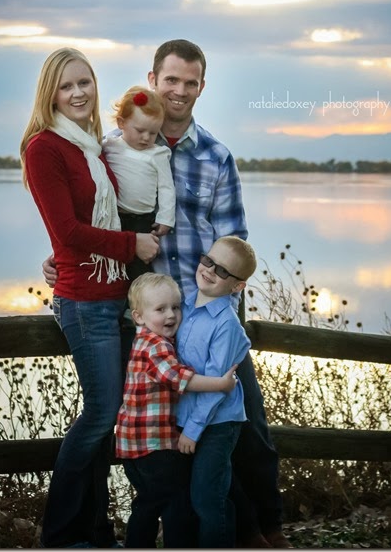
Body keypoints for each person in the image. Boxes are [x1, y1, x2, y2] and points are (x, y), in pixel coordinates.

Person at [43, 39, 290, 549]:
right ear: (152, 80)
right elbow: (90, 218)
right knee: (137, 425)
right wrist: (59, 259)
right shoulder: (115, 148)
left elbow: (235, 244)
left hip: (204, 317)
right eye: (170, 79)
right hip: (147, 320)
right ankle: (126, 531)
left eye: (190, 82)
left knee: (246, 423)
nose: (179, 90)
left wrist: (219, 324)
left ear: (202, 87)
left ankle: (267, 530)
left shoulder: (215, 156)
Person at [21, 47, 159, 549]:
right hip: (84, 302)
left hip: (115, 295)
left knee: (108, 421)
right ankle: (59, 534)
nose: (78, 93)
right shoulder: (45, 148)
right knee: (102, 412)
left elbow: (94, 218)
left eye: (85, 82)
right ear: (51, 94)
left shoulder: (94, 147)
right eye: (67, 86)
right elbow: (68, 230)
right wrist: (131, 245)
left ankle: (96, 533)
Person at [116, 271, 238, 548]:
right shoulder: (155, 345)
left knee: (150, 502)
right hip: (152, 444)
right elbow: (178, 378)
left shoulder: (147, 340)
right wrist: (220, 383)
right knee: (174, 502)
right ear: (138, 317)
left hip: (134, 443)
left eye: (175, 306)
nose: (171, 315)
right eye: (160, 309)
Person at [176, 236, 255, 548]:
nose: (209, 270)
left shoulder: (227, 325)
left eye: (222, 270)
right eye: (208, 261)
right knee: (185, 496)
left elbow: (216, 386)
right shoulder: (183, 306)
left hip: (218, 423)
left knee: (207, 497)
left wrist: (193, 430)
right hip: (185, 417)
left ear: (237, 286)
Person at [103, 85, 175, 281]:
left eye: (153, 133)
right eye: (140, 130)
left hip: (143, 220)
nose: (146, 138)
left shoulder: (158, 154)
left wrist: (166, 218)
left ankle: (138, 298)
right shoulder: (109, 145)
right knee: (112, 263)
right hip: (114, 217)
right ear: (121, 123)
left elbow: (167, 188)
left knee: (139, 269)